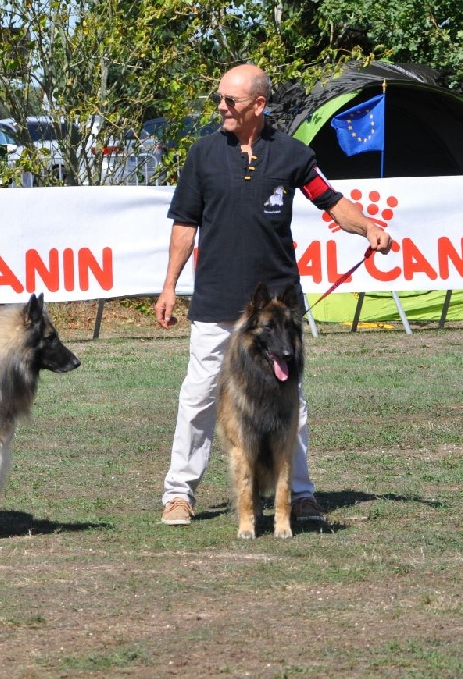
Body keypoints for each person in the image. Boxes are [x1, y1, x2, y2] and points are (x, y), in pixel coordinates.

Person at [156, 64, 393, 527]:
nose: (221, 107)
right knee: (200, 397)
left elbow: (330, 200)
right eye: (220, 98)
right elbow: (185, 224)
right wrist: (169, 285)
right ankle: (178, 494)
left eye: (230, 101)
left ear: (258, 105)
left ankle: (301, 495)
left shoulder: (293, 155)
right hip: (218, 300)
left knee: (290, 401)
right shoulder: (202, 154)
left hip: (278, 310)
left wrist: (368, 227)